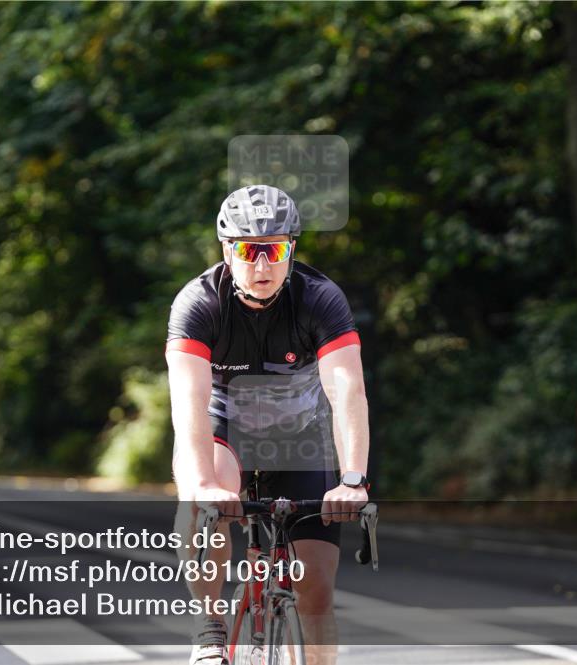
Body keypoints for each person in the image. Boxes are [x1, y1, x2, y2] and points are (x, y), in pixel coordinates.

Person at [166, 185, 370, 665]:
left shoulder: (320, 299)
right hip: (225, 429)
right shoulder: (198, 304)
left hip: (301, 435)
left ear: (291, 250)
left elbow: (347, 392)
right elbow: (189, 401)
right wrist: (199, 486)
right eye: (248, 250)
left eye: (274, 250)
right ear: (227, 251)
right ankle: (210, 625)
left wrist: (353, 480)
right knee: (203, 501)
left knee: (315, 591)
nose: (262, 265)